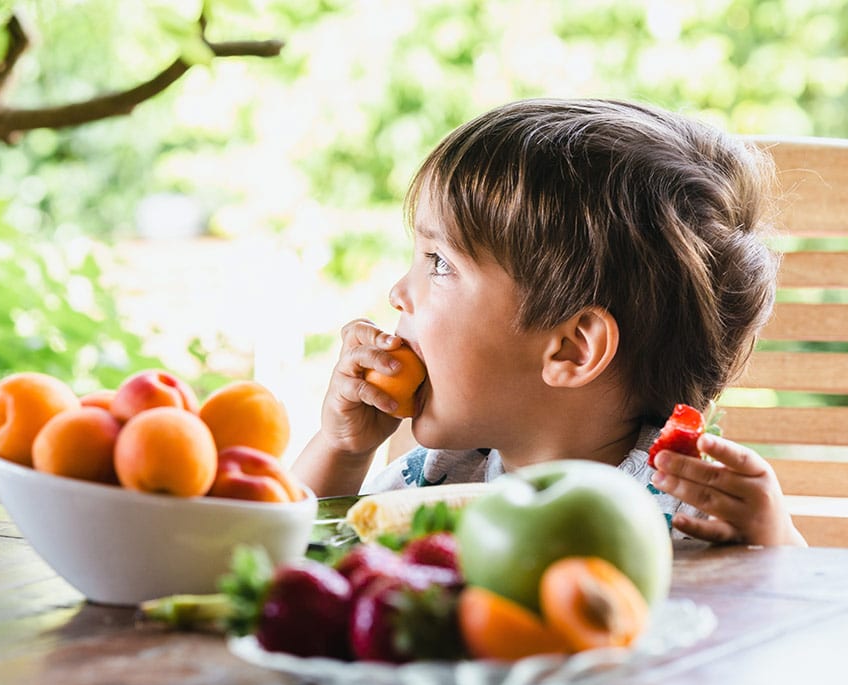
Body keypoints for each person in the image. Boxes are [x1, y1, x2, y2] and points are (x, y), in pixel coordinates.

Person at [292, 98, 806, 547]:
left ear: (571, 350)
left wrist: (774, 542)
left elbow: (799, 633)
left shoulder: (684, 506)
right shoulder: (440, 478)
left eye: (440, 262)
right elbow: (281, 561)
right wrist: (341, 450)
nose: (398, 292)